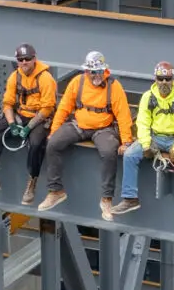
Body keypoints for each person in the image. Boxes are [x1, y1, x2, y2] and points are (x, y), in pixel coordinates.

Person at [40, 51, 136, 217]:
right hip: (80, 125)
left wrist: (126, 141)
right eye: (92, 72)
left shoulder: (113, 86)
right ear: (86, 71)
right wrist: (54, 130)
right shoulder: (78, 82)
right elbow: (64, 107)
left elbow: (123, 115)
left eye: (98, 71)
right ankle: (55, 191)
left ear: (104, 71)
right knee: (53, 144)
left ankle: (106, 198)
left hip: (103, 128)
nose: (95, 75)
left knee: (108, 152)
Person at [120, 62, 174, 219]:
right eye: (161, 79)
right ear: (155, 79)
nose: (164, 82)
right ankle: (130, 198)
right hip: (155, 137)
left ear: (173, 79)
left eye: (168, 79)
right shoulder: (148, 97)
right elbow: (143, 122)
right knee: (130, 155)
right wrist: (146, 144)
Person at [0, 43, 60, 203]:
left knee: (36, 143)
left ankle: (32, 180)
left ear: (34, 59)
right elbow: (7, 103)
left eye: (27, 59)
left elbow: (48, 108)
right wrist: (11, 123)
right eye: (20, 59)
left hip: (39, 117)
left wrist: (29, 127)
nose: (24, 62)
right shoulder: (15, 77)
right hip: (20, 114)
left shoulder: (45, 78)